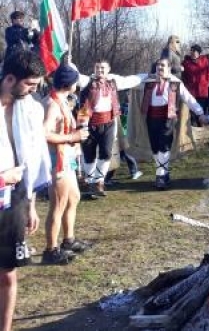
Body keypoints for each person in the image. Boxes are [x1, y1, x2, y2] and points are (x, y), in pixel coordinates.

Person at [0, 50, 51, 331]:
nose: (35, 91)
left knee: (8, 272)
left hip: (15, 198)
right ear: (9, 78)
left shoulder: (30, 109)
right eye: (30, 85)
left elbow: (32, 157)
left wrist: (30, 203)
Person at [42, 64, 91, 265]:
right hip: (57, 161)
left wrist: (77, 133)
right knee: (59, 204)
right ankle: (50, 250)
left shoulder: (62, 100)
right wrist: (73, 136)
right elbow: (44, 134)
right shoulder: (52, 104)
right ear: (69, 83)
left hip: (66, 157)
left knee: (74, 198)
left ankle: (68, 240)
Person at [78, 59, 145, 196]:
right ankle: (90, 181)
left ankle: (99, 182)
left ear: (108, 70)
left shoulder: (114, 82)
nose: (100, 71)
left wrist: (147, 75)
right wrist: (67, 64)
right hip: (88, 123)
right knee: (88, 154)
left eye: (103, 68)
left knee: (106, 153)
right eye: (97, 68)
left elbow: (130, 80)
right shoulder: (87, 81)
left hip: (108, 123)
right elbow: (74, 76)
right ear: (94, 69)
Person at [141, 58, 204, 189]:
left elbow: (188, 98)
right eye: (158, 65)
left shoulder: (175, 82)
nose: (160, 68)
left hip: (167, 118)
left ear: (169, 68)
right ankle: (164, 172)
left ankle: (160, 176)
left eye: (163, 66)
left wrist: (199, 112)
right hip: (151, 118)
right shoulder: (149, 81)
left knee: (164, 145)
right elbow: (130, 81)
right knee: (155, 147)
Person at [182, 45, 209, 116]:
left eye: (194, 51)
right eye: (191, 51)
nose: (192, 53)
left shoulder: (204, 60)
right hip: (191, 90)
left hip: (202, 90)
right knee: (192, 110)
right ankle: (192, 124)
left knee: (201, 109)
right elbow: (183, 75)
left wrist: (207, 82)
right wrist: (186, 84)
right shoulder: (186, 62)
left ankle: (201, 124)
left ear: (198, 52)